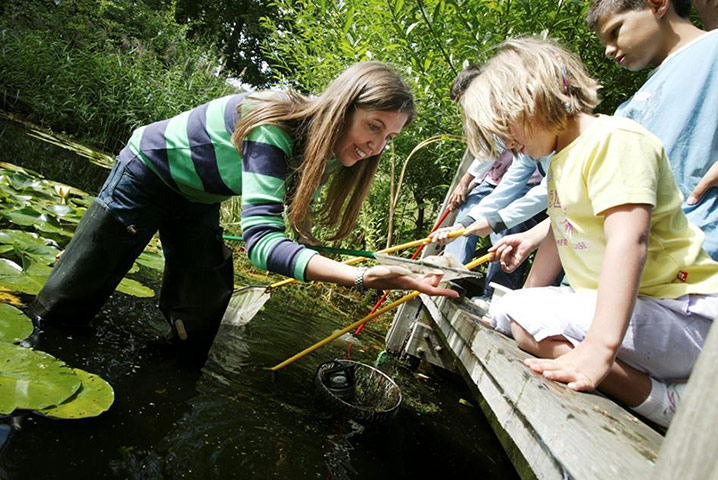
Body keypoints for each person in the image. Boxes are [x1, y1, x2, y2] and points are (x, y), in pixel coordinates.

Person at [28, 62, 458, 351]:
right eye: (373, 126)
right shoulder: (274, 127)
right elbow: (260, 243)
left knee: (203, 301)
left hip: (198, 197)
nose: (376, 146)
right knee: (73, 296)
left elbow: (272, 229)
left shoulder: (327, 154)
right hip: (147, 172)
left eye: (389, 138)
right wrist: (362, 277)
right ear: (341, 109)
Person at [463, 37, 718, 428]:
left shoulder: (615, 141)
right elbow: (558, 236)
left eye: (507, 129)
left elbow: (628, 240)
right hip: (653, 314)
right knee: (517, 313)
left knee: (525, 317)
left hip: (687, 314)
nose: (509, 145)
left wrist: (600, 348)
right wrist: (516, 303)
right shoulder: (562, 157)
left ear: (531, 98)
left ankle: (661, 401)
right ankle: (658, 384)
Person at [492, 0, 718, 274]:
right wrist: (534, 236)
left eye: (615, 31)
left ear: (657, 4)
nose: (609, 50)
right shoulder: (631, 107)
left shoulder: (712, 48)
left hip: (700, 258)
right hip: (649, 268)